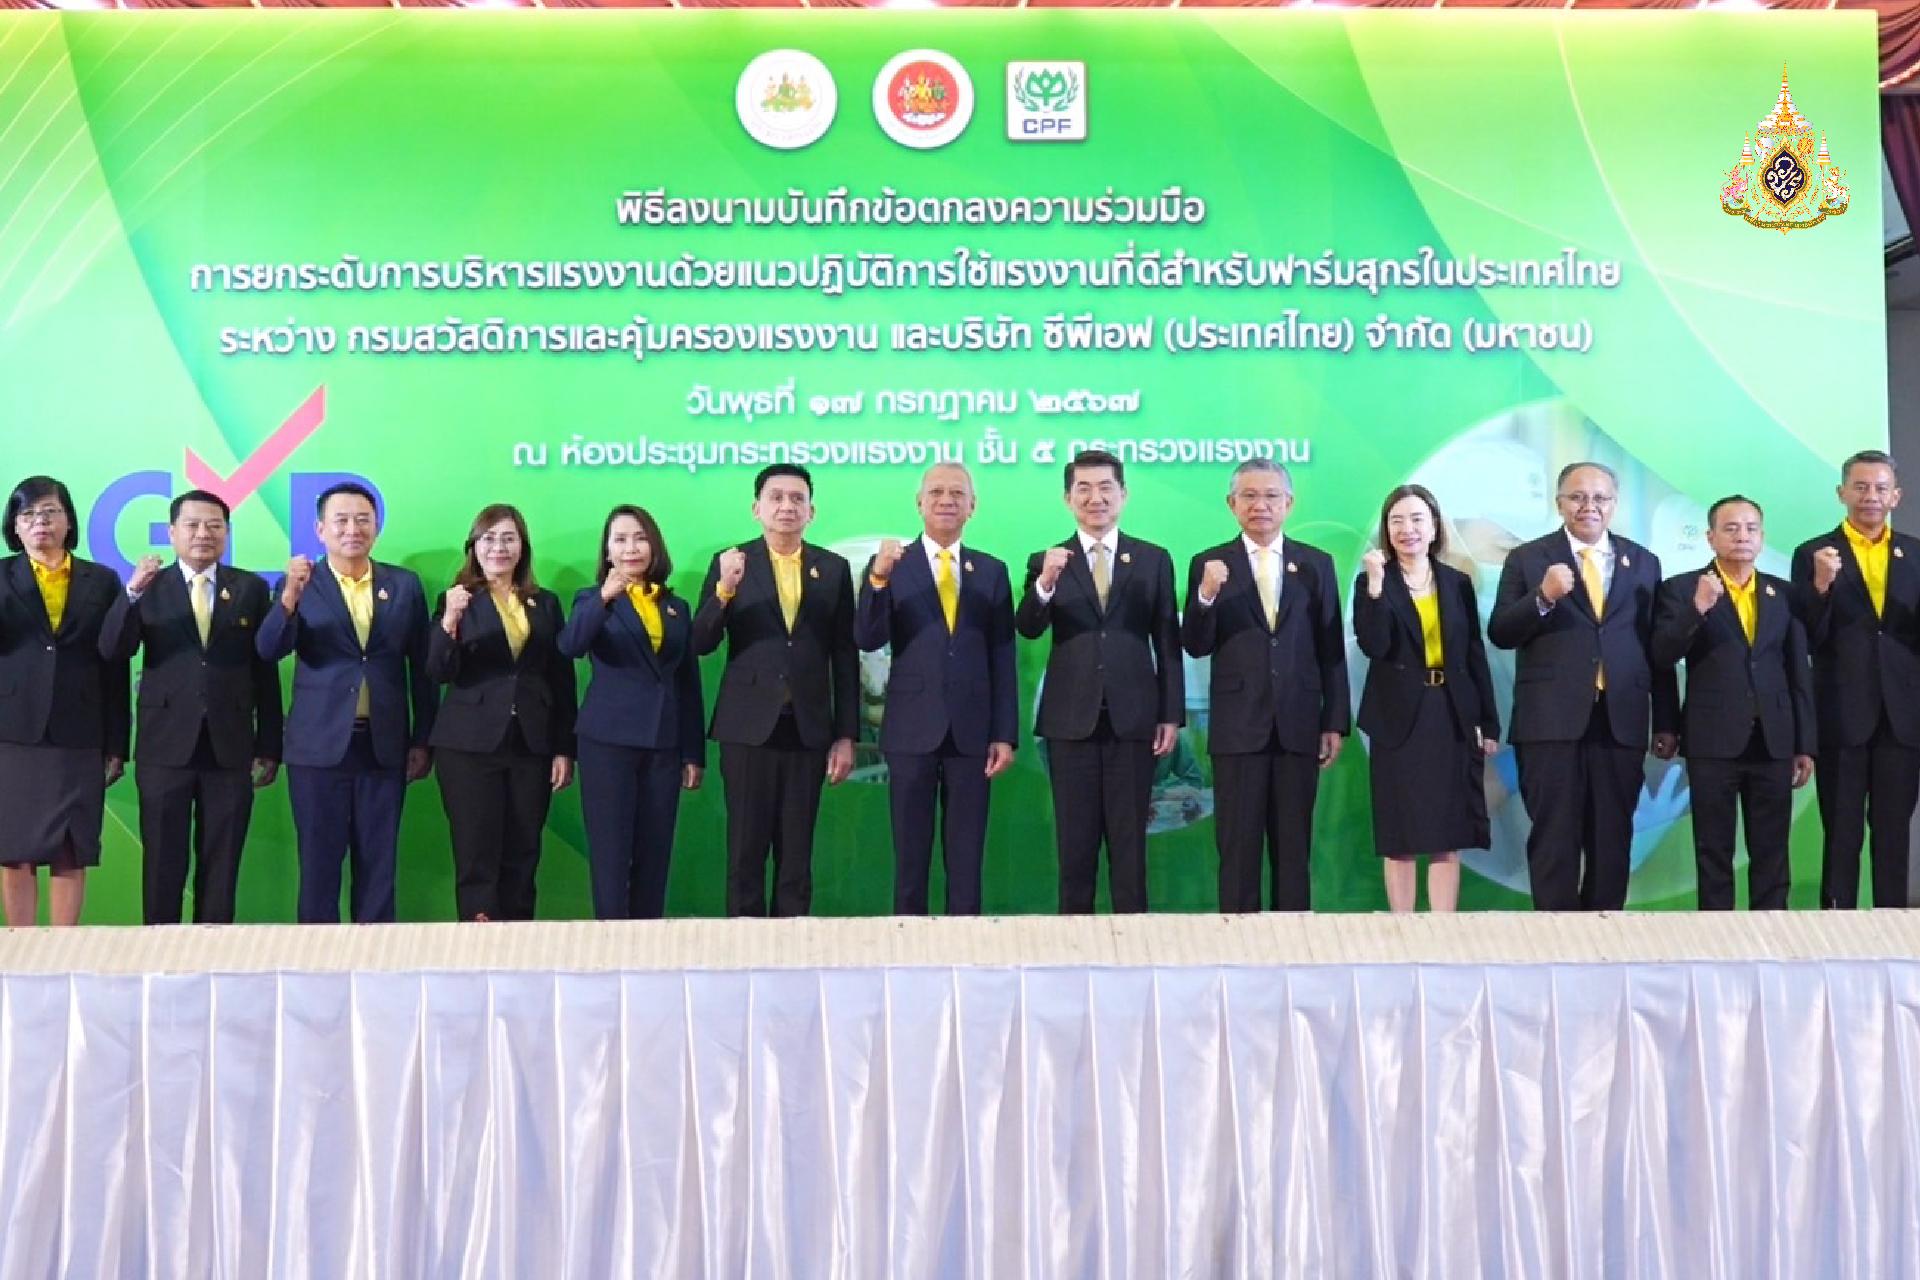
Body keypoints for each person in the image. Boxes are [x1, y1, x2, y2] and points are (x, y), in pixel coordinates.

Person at [1488, 461, 1679, 911]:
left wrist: (1667, 720)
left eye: (1599, 498)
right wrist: (1543, 597)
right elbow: (1501, 632)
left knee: (1613, 837)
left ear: (1614, 504)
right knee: (1554, 836)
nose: (1588, 506)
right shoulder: (1528, 558)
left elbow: (1657, 649)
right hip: (1550, 723)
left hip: (1620, 720)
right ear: (1559, 503)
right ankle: (1557, 937)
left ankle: (1604, 936)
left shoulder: (1643, 562)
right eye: (1577, 497)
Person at [98, 489, 282, 924]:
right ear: (171, 532)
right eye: (193, 525)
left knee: (222, 863)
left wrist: (270, 744)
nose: (203, 534)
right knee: (163, 862)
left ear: (227, 533)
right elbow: (112, 650)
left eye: (214, 525)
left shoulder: (251, 588)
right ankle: (160, 952)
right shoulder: (148, 587)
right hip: (164, 747)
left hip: (230, 745)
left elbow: (265, 670)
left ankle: (213, 952)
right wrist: (131, 593)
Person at [257, 481, 436, 923]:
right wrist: (289, 598)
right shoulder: (301, 583)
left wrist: (422, 738)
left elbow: (423, 668)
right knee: (319, 867)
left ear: (377, 526)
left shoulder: (403, 584)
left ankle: (375, 958)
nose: (352, 529)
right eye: (341, 520)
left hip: (383, 745)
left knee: (379, 867)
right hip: (318, 748)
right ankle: (317, 958)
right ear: (321, 529)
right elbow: (269, 649)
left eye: (363, 519)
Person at [1019, 449, 1183, 914]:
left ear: (1123, 495)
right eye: (1084, 489)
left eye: (1106, 488)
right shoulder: (1046, 560)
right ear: (1068, 498)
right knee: (1075, 848)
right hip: (1070, 721)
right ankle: (1074, 944)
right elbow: (1028, 626)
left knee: (1130, 847)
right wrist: (1045, 583)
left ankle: (1133, 943)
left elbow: (1167, 641)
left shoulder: (1152, 559)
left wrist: (1170, 714)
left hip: (1134, 720)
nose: (1096, 498)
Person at [1182, 458, 1348, 912]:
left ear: (1288, 503)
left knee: (1293, 851)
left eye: (1271, 496)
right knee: (1238, 849)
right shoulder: (1210, 564)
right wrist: (1206, 595)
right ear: (1231, 504)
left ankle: (1293, 943)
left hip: (1298, 724)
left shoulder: (1316, 564)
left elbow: (1331, 649)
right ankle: (1237, 943)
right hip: (1238, 728)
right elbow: (1195, 644)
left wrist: (1333, 721)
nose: (1261, 505)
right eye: (1250, 496)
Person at [693, 464, 857, 917]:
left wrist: (846, 735)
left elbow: (844, 655)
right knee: (745, 851)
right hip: (747, 728)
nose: (787, 506)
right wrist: (725, 590)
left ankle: (794, 943)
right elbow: (701, 641)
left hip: (807, 729)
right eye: (776, 497)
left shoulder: (833, 568)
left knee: (797, 855)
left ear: (811, 511)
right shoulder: (732, 563)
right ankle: (743, 945)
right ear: (757, 508)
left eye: (797, 498)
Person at [855, 462, 1018, 915]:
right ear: (919, 503)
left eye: (957, 493)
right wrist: (878, 579)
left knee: (966, 857)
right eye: (937, 492)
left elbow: (1002, 656)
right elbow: (867, 636)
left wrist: (1004, 733)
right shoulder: (891, 565)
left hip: (972, 732)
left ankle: (966, 943)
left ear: (972, 505)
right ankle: (908, 941)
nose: (947, 500)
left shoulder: (991, 570)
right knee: (910, 857)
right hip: (911, 730)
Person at [1653, 496, 1814, 910]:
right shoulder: (1681, 589)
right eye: (1731, 528)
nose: (1742, 536)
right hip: (1712, 741)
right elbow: (1662, 656)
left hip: (1773, 741)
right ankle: (1716, 938)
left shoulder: (1783, 593)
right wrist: (1697, 609)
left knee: (1772, 852)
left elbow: (1798, 670)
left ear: (1762, 537)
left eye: (1750, 528)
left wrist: (1804, 744)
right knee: (1714, 850)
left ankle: (1771, 935)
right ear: (1710, 537)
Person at [1352, 484, 1499, 913]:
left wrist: (1488, 722)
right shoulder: (1372, 581)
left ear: (1434, 527)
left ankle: (1442, 928)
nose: (1407, 529)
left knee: (1446, 834)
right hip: (1397, 719)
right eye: (1397, 521)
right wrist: (1375, 587)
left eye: (1417, 519)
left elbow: (1473, 655)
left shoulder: (1456, 583)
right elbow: (1375, 645)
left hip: (1450, 714)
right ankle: (1403, 928)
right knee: (1400, 836)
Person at [427, 504, 576, 922]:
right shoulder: (457, 600)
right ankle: (478, 943)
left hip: (531, 743)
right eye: (489, 538)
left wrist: (564, 748)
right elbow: (437, 671)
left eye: (509, 538)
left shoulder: (544, 603)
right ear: (474, 547)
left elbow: (561, 680)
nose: (499, 548)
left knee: (523, 852)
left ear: (522, 547)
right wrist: (450, 621)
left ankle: (518, 941)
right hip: (469, 747)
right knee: (477, 852)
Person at [558, 504, 705, 920]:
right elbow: (570, 645)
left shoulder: (676, 606)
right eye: (620, 540)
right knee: (610, 854)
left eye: (640, 538)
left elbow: (687, 681)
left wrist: (692, 752)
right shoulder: (591, 600)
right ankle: (611, 941)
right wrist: (605, 597)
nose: (631, 548)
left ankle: (648, 941)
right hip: (608, 743)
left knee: (654, 854)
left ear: (654, 546)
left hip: (664, 744)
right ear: (607, 551)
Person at [1790, 449, 1920, 909]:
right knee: (1842, 832)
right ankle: (1836, 923)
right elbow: (1805, 635)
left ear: (1896, 496)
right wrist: (1820, 586)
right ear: (1841, 492)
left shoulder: (1915, 553)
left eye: (1881, 488)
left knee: (1893, 833)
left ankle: (1893, 925)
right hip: (1842, 715)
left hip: (1902, 718)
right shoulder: (1814, 553)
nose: (1870, 497)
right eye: (1860, 487)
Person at [0, 477, 130, 926]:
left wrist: (117, 742)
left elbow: (114, 664)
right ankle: (20, 947)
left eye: (50, 512)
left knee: (71, 848)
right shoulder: (2, 577)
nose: (40, 522)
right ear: (15, 526)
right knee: (14, 848)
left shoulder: (102, 580)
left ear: (68, 521)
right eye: (28, 514)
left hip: (80, 730)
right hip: (14, 733)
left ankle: (65, 950)